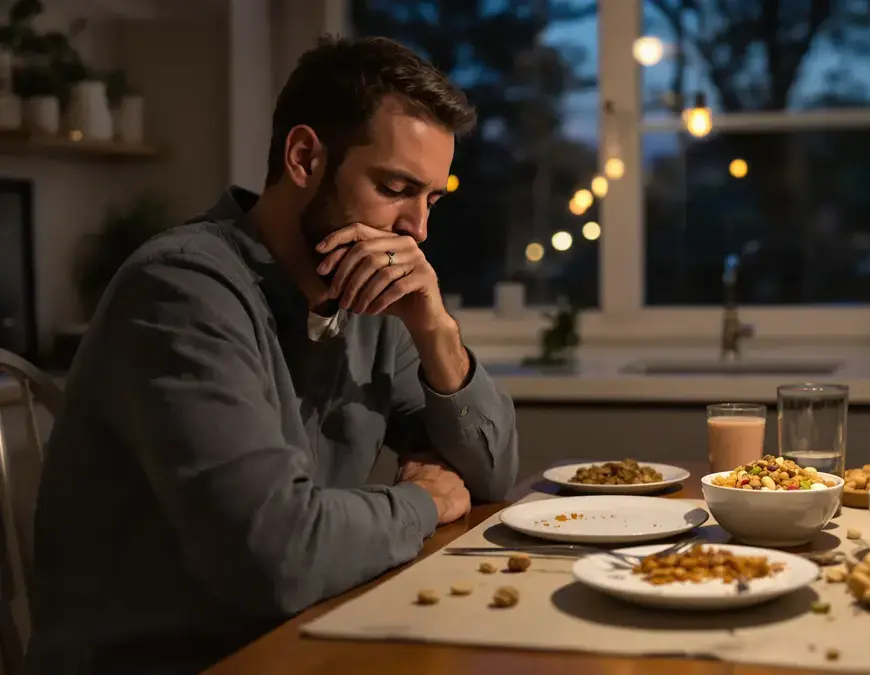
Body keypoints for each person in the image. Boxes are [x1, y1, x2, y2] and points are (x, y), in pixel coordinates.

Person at [24, 36, 518, 675]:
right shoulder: (181, 290)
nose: (418, 230)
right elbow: (277, 555)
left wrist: (435, 329)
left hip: (300, 638)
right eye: (395, 187)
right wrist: (424, 502)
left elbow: (490, 477)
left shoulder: (370, 298)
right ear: (305, 158)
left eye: (432, 199)